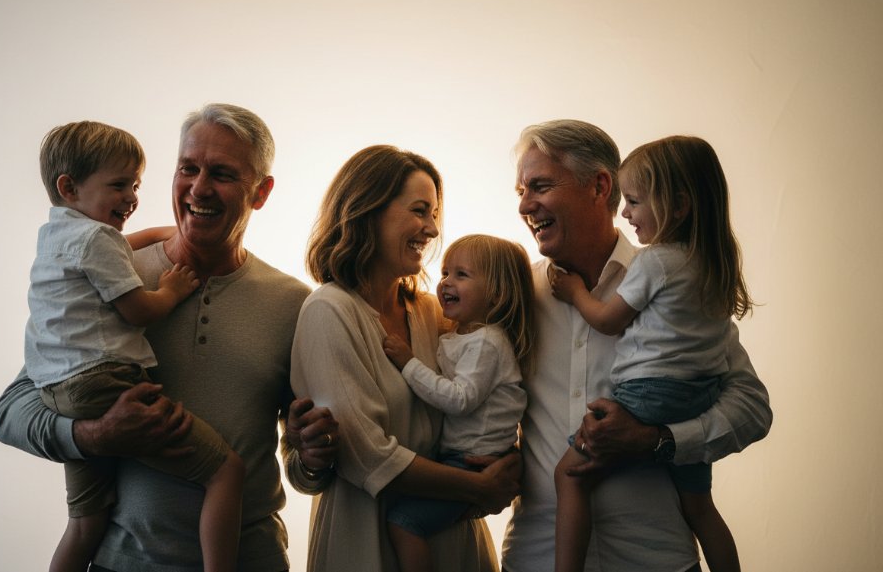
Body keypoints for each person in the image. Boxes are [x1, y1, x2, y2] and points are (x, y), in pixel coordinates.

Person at [0, 103, 338, 572]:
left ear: (261, 192)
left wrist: (312, 454)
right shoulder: (111, 278)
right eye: (187, 169)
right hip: (122, 561)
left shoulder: (296, 304)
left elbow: (304, 471)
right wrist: (93, 435)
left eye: (221, 173)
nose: (198, 187)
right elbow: (11, 413)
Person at [501, 120, 772, 572]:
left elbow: (752, 409)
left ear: (599, 186)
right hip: (535, 558)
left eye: (540, 186)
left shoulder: (679, 287)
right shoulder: (513, 297)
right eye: (520, 192)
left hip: (655, 558)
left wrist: (660, 440)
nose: (526, 205)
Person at [25, 120, 246, 572]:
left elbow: (118, 245)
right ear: (69, 187)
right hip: (104, 382)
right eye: (119, 185)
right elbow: (140, 312)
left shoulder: (60, 235)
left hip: (61, 387)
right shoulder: (99, 242)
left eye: (136, 184)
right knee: (226, 472)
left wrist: (170, 233)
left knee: (84, 522)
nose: (132, 197)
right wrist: (170, 290)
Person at [290, 145, 521, 572]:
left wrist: (509, 459)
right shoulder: (330, 311)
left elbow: (486, 398)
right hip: (366, 539)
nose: (432, 230)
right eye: (419, 211)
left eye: (434, 213)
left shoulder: (433, 313)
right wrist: (478, 485)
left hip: (449, 533)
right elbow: (366, 454)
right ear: (368, 210)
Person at [381, 234, 534, 572]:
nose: (446, 282)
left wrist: (408, 363)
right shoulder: (455, 337)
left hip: (475, 463)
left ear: (497, 292)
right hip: (463, 457)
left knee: (404, 522)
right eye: (446, 272)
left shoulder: (488, 343)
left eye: (461, 275)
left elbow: (459, 399)